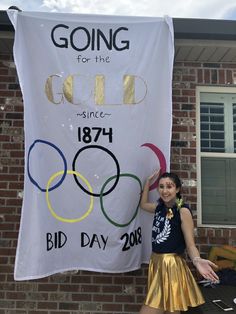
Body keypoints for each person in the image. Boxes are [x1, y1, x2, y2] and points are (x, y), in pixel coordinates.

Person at [139, 170, 219, 314]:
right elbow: (143, 205)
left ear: (177, 189)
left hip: (171, 267)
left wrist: (197, 260)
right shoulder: (159, 208)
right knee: (171, 310)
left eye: (169, 186)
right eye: (161, 187)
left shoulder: (182, 211)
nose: (164, 191)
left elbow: (190, 245)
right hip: (157, 264)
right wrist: (147, 184)